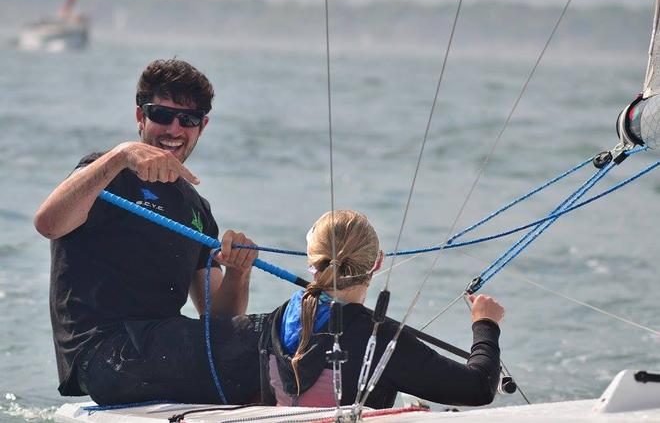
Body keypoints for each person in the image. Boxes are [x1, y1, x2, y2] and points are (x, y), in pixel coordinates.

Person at [34, 59, 264, 405]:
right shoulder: (103, 174)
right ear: (140, 117)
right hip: (102, 354)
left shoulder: (197, 209)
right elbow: (48, 223)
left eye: (187, 120)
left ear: (202, 126)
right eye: (161, 115)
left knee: (261, 340)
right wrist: (121, 155)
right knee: (266, 340)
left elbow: (219, 319)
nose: (174, 129)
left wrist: (238, 272)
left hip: (161, 353)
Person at [259, 210, 504, 408]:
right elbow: (479, 387)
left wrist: (237, 274)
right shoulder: (382, 340)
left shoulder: (274, 322)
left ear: (311, 262)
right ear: (377, 262)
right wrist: (486, 324)